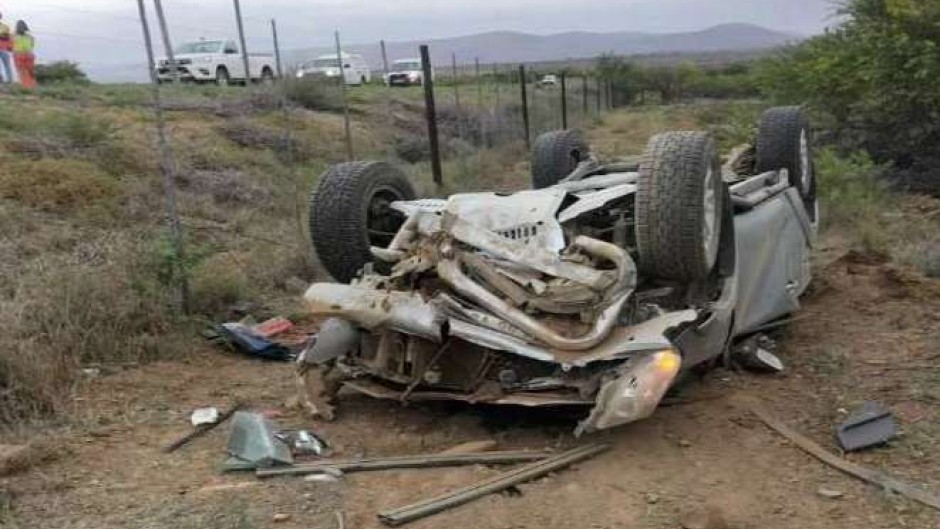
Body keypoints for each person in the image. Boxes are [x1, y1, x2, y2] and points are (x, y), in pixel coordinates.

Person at [12, 20, 34, 88]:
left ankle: (25, 86)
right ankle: (30, 85)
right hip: (28, 54)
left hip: (19, 54)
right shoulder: (30, 37)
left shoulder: (13, 36)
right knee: (29, 71)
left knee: (21, 71)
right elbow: (32, 45)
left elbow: (10, 46)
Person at [0, 13, 13, 84]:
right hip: (4, 48)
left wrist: (10, 47)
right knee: (7, 65)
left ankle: (10, 80)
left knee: (7, 65)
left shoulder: (5, 27)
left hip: (4, 48)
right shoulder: (5, 27)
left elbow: (9, 37)